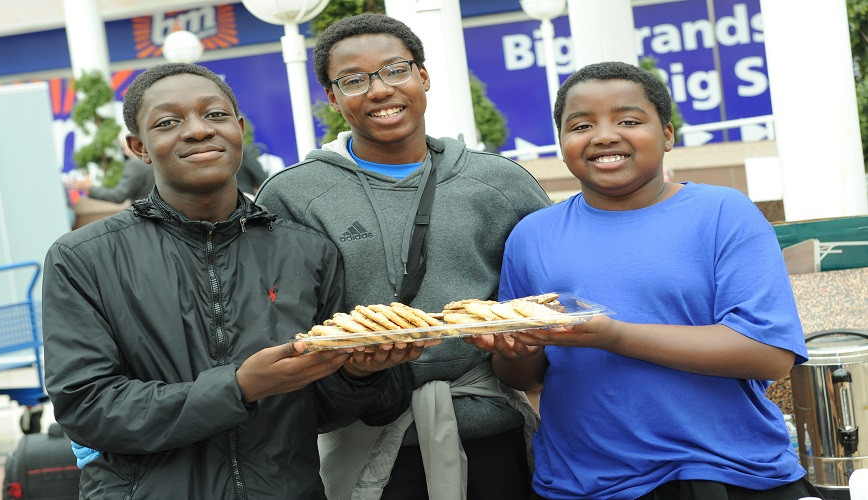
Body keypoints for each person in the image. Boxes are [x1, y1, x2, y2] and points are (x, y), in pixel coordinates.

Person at [42, 62, 429, 499]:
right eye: (168, 122)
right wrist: (240, 387)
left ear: (239, 128)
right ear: (139, 146)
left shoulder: (306, 251)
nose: (197, 131)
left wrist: (359, 375)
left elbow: (323, 411)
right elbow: (87, 408)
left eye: (215, 115)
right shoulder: (84, 258)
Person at [466, 61, 819, 500]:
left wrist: (615, 336)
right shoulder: (532, 236)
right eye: (581, 125)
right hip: (581, 485)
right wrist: (517, 349)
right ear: (562, 144)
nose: (604, 135)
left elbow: (768, 355)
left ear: (667, 135)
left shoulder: (723, 214)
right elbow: (524, 377)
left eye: (629, 121)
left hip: (728, 473)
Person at [255, 13, 552, 500]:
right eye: (353, 80)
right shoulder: (293, 195)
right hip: (363, 439)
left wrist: (526, 344)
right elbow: (278, 322)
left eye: (396, 70)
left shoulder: (499, 182)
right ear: (332, 97)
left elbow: (545, 297)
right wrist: (353, 366)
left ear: (424, 76)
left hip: (492, 433)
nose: (379, 90)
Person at [64, 137, 155, 204]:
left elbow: (118, 196)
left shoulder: (135, 164)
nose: (124, 152)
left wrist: (89, 187)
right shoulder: (153, 159)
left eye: (123, 148)